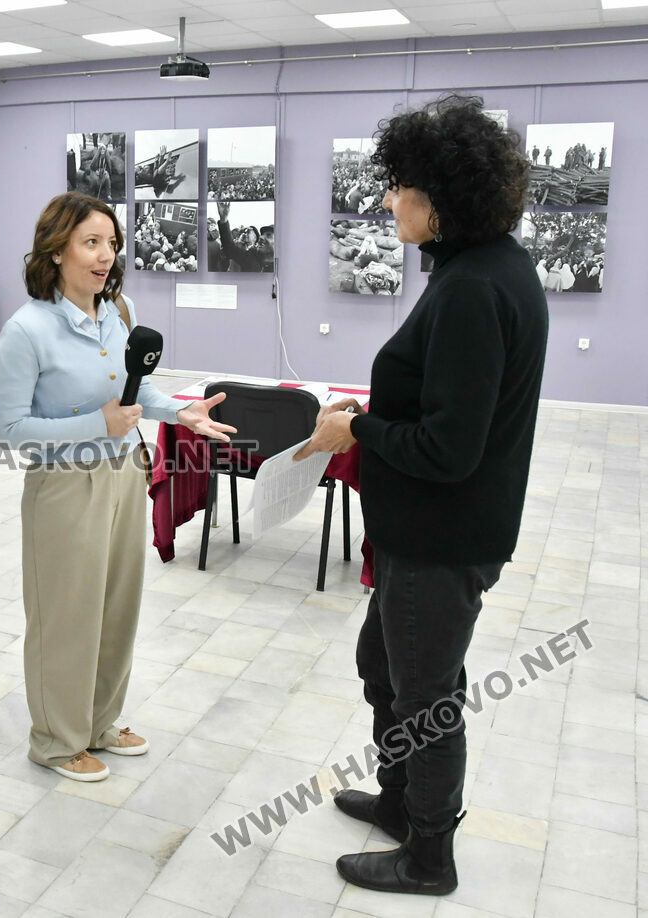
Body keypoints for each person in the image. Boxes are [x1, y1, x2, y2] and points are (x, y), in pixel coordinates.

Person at [299, 94, 547, 896]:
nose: (386, 200)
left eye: (399, 187)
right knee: (382, 666)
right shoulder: (487, 268)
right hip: (433, 530)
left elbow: (447, 449)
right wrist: (372, 419)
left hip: (443, 535)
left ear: (440, 199)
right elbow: (447, 407)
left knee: (427, 700)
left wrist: (359, 430)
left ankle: (429, 855)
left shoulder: (474, 288)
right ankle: (401, 801)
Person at [0, 192, 236, 781]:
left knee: (116, 607)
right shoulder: (27, 329)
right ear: (56, 250)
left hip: (126, 472)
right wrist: (96, 424)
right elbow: (10, 429)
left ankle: (99, 723)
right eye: (91, 243)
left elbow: (135, 391)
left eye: (111, 244)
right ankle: (57, 740)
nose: (106, 256)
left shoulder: (117, 311)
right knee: (66, 614)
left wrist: (181, 413)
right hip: (65, 485)